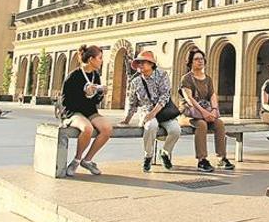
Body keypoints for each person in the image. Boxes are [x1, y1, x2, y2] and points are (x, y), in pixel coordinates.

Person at [121, 50, 180, 172]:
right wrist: (126, 120)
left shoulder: (162, 75)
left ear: (151, 64)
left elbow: (165, 96)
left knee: (176, 129)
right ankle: (148, 156)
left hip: (163, 111)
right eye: (138, 63)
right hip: (146, 112)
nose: (140, 65)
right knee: (151, 125)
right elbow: (132, 103)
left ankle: (165, 152)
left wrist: (154, 112)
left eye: (143, 62)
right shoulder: (135, 81)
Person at [61, 44, 113, 176]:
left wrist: (100, 93)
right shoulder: (73, 76)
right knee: (87, 128)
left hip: (90, 111)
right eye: (100, 58)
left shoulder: (95, 75)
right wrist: (84, 93)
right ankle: (76, 160)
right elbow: (66, 102)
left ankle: (87, 160)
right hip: (73, 112)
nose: (101, 61)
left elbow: (95, 101)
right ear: (91, 59)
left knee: (107, 128)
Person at [180, 49, 234, 172]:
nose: (200, 61)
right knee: (201, 124)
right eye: (196, 59)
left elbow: (212, 96)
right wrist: (204, 113)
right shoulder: (186, 79)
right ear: (190, 62)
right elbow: (190, 99)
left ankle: (222, 157)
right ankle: (202, 160)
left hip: (205, 112)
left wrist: (214, 110)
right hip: (189, 114)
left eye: (202, 59)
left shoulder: (208, 79)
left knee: (219, 123)